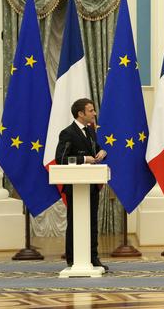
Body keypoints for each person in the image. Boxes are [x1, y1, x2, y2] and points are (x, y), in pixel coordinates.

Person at [54, 98, 108, 271]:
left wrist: (102, 152)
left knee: (92, 221)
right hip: (75, 186)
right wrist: (84, 159)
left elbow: (96, 149)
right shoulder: (67, 133)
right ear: (80, 113)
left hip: (90, 184)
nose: (94, 113)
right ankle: (73, 258)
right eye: (91, 110)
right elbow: (60, 158)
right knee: (74, 221)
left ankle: (93, 257)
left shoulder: (90, 131)